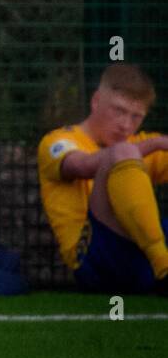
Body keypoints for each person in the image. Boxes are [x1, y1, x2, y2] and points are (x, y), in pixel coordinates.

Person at [39, 63, 168, 296]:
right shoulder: (58, 141)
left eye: (136, 116)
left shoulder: (138, 142)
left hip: (137, 259)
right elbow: (82, 166)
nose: (126, 124)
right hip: (95, 260)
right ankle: (163, 264)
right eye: (118, 111)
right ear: (96, 101)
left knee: (124, 151)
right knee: (122, 153)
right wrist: (157, 143)